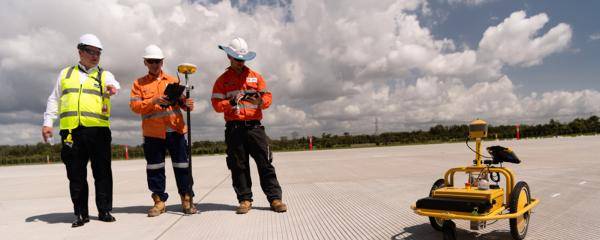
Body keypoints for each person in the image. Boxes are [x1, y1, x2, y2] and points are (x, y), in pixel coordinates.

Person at [42, 34, 119, 227]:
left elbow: (114, 84)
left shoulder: (103, 74)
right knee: (75, 174)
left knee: (102, 172)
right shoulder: (65, 74)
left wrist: (112, 88)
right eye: (91, 52)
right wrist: (48, 122)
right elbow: (54, 98)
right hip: (71, 132)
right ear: (80, 52)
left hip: (98, 132)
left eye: (98, 53)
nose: (95, 56)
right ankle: (80, 214)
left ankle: (104, 210)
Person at [211, 37, 287, 214]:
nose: (240, 62)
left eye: (243, 59)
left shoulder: (256, 77)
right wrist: (230, 102)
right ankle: (245, 200)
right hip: (234, 129)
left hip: (255, 127)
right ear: (229, 57)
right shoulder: (222, 80)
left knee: (265, 163)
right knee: (238, 166)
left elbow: (267, 98)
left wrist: (260, 101)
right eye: (237, 59)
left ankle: (275, 199)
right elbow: (216, 105)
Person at [129, 44, 198, 216]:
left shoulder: (173, 81)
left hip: (176, 130)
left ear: (162, 62)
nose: (155, 64)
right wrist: (153, 101)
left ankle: (186, 198)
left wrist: (186, 104)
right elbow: (135, 106)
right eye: (151, 61)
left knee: (183, 166)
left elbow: (181, 103)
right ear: (145, 62)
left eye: (158, 61)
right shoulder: (138, 83)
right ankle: (159, 201)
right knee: (155, 168)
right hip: (153, 134)